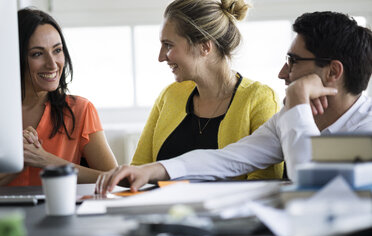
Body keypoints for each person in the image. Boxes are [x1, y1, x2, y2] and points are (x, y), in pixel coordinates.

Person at [96, 11, 372, 194]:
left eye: (294, 61)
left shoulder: (366, 130)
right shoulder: (291, 115)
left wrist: (298, 100)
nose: (282, 73)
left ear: (333, 72)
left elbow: (313, 183)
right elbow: (229, 159)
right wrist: (152, 170)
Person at [130, 0, 283, 180]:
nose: (161, 57)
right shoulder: (169, 95)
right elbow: (140, 170)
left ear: (204, 46)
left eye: (169, 45)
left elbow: (264, 183)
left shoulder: (260, 99)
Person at [0, 8, 118, 186]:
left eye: (57, 50)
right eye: (37, 54)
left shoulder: (80, 110)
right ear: (14, 57)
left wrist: (46, 160)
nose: (52, 63)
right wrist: (19, 161)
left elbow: (115, 181)